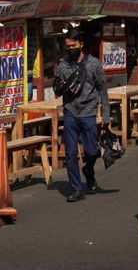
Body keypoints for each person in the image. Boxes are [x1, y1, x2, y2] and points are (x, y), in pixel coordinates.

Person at [53, 30, 111, 202]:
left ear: (81, 44)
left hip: (89, 113)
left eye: (73, 45)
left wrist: (106, 116)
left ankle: (88, 171)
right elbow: (57, 88)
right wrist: (60, 86)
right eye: (68, 46)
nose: (71, 49)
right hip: (70, 111)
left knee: (92, 151)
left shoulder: (94, 64)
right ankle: (76, 189)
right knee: (70, 154)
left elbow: (102, 89)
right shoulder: (63, 65)